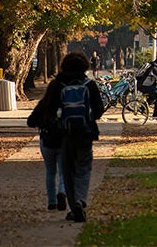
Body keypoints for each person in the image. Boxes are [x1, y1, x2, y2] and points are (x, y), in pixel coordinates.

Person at [43, 51, 103, 223]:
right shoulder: (89, 85)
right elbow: (99, 109)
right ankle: (80, 200)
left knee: (68, 171)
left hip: (65, 135)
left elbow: (49, 110)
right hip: (85, 134)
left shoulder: (57, 85)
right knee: (84, 168)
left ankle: (73, 205)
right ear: (85, 66)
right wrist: (89, 119)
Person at [26, 95, 66, 212]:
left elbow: (30, 122)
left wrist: (41, 123)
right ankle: (62, 191)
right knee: (64, 172)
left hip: (47, 141)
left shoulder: (43, 104)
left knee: (50, 172)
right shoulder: (67, 104)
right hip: (63, 142)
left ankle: (52, 202)